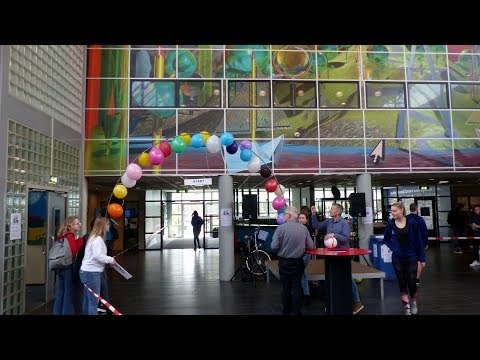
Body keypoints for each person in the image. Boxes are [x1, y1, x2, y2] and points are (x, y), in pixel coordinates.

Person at [310, 203, 364, 315]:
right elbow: (316, 225)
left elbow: (345, 238)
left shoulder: (344, 223)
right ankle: (333, 302)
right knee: (332, 277)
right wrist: (313, 214)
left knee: (346, 276)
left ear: (338, 212)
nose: (330, 210)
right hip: (330, 254)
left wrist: (334, 235)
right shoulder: (328, 221)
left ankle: (357, 302)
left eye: (332, 209)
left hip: (343, 254)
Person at [382, 202, 425, 315]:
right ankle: (407, 309)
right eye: (391, 211)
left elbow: (419, 241)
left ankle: (414, 300)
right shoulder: (390, 224)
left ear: (402, 210)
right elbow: (386, 239)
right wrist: (394, 248)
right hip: (397, 258)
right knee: (402, 282)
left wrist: (422, 259)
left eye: (395, 211)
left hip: (411, 256)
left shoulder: (412, 222)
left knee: (412, 281)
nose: (392, 213)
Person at [271, 206, 314, 315]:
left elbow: (273, 246)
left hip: (284, 262)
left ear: (289, 215)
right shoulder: (303, 229)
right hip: (298, 262)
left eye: (284, 213)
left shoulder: (280, 229)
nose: (283, 215)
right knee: (296, 286)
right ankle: (296, 311)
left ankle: (286, 311)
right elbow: (311, 246)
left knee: (285, 287)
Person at [79, 217, 116, 315]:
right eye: (108, 224)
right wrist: (110, 259)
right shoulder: (98, 239)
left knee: (87, 300)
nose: (109, 226)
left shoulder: (93, 237)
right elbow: (97, 255)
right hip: (92, 273)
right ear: (103, 226)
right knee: (93, 302)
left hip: (87, 272)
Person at [53, 216, 83, 315]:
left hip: (60, 266)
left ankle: (57, 312)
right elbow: (74, 251)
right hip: (67, 266)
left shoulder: (62, 235)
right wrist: (80, 241)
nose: (80, 225)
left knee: (60, 292)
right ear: (71, 225)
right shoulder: (70, 236)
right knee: (68, 292)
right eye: (77, 223)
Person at [407, 203, 428, 285]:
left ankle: (409, 276)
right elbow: (425, 232)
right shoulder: (420, 219)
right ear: (417, 209)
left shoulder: (406, 218)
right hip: (419, 243)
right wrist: (425, 243)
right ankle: (417, 279)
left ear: (410, 209)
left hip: (408, 243)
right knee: (419, 261)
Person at [298, 212, 315, 305]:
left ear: (306, 220)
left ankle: (305, 295)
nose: (301, 219)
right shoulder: (297, 229)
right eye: (299, 218)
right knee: (302, 273)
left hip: (305, 253)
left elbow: (310, 244)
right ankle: (306, 295)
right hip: (300, 254)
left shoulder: (307, 229)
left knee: (301, 272)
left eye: (303, 218)